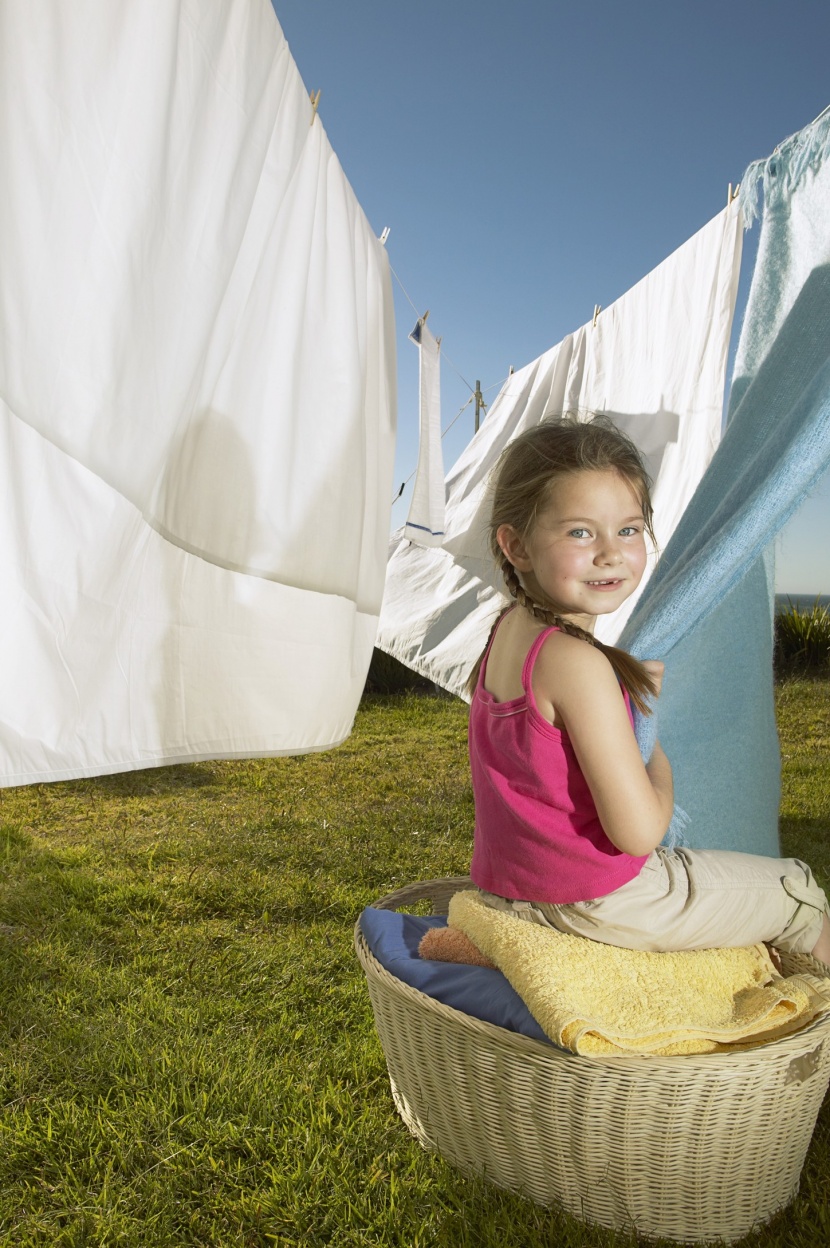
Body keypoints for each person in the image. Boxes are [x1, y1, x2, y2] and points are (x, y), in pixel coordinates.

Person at [467, 414, 830, 965]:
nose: (610, 552)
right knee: (797, 892)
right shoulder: (577, 663)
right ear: (515, 545)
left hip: (518, 891)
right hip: (601, 902)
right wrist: (654, 749)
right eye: (580, 532)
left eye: (629, 529)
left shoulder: (504, 634)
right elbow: (638, 832)